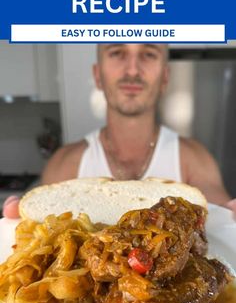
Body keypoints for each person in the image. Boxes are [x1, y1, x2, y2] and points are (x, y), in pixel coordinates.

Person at [3, 43, 236, 219]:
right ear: (98, 75)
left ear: (165, 77)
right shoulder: (65, 164)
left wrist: (229, 217)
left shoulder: (192, 158)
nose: (133, 69)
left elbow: (219, 216)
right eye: (117, 52)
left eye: (148, 54)